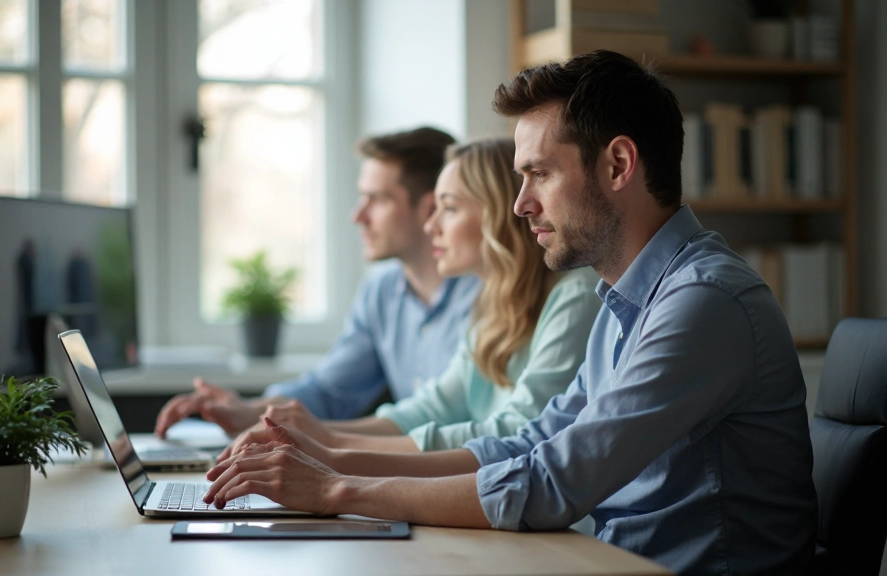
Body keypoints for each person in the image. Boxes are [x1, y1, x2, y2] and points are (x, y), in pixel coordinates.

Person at [200, 51, 818, 576]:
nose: (520, 205)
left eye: (539, 174)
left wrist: (338, 489)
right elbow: (528, 442)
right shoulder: (624, 301)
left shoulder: (702, 302)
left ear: (618, 165)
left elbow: (551, 483)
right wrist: (329, 462)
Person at [222, 139, 600, 456]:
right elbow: (435, 406)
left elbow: (521, 432)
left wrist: (335, 443)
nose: (431, 225)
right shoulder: (494, 302)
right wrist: (313, 434)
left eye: (448, 209)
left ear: (498, 216)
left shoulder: (574, 296)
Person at [154, 127, 480, 438]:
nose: (358, 216)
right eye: (362, 198)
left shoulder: (488, 293)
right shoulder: (380, 293)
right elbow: (329, 391)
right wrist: (249, 412)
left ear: (429, 207)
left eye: (377, 199)